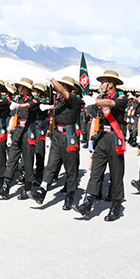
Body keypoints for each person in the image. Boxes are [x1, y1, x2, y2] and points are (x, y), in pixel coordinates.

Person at [73, 70, 128, 222]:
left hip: (115, 137)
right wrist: (91, 139)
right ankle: (87, 203)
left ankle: (116, 207)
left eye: (103, 82)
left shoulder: (121, 96)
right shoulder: (100, 98)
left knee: (116, 173)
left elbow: (112, 104)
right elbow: (96, 119)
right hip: (102, 137)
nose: (101, 85)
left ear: (111, 83)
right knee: (96, 172)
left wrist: (96, 101)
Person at [27, 77, 82, 210]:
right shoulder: (60, 101)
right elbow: (54, 117)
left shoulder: (74, 99)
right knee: (51, 164)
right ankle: (42, 191)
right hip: (57, 135)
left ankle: (70, 195)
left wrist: (52, 79)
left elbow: (63, 92)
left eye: (62, 86)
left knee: (70, 168)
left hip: (69, 136)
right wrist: (50, 134)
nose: (57, 90)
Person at [0, 77, 40, 200]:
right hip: (18, 130)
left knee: (28, 160)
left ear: (26, 88)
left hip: (29, 130)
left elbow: (28, 106)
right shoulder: (17, 98)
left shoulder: (34, 99)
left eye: (20, 87)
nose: (18, 89)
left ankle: (27, 188)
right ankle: (5, 187)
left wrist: (18, 106)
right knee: (12, 159)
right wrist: (10, 133)